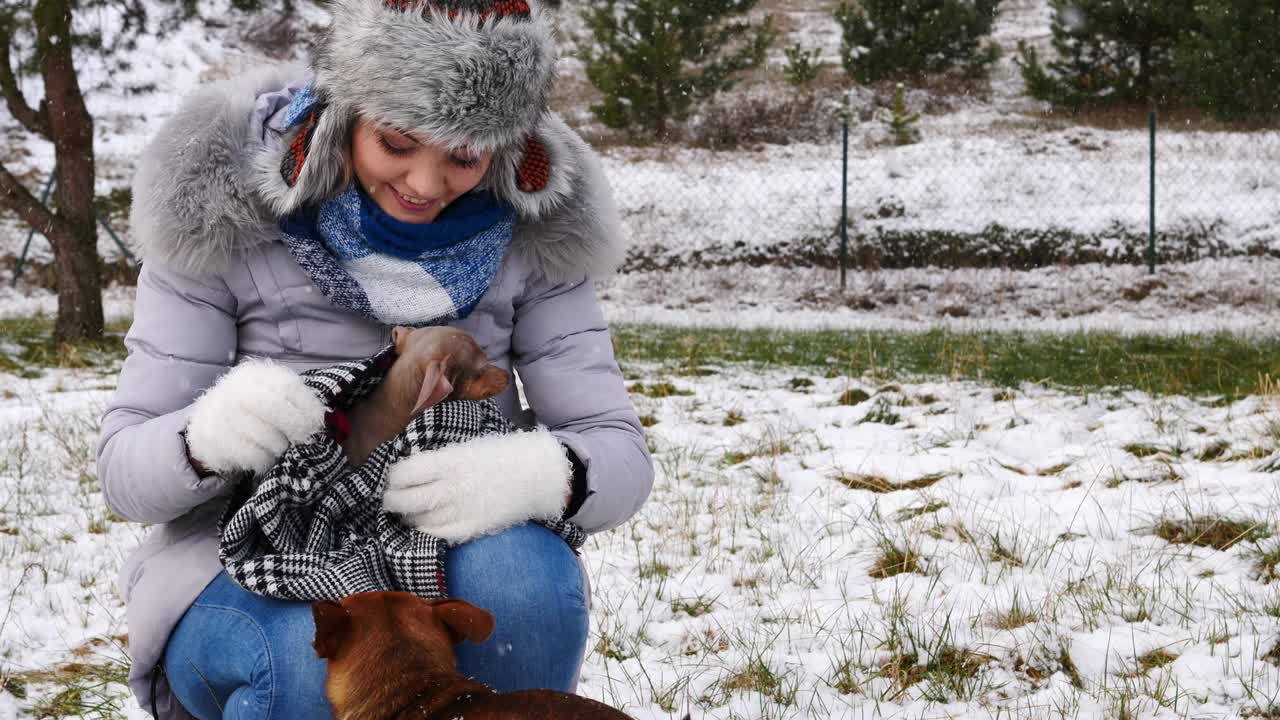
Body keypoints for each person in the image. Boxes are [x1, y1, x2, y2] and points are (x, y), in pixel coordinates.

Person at [94, 1, 653, 718]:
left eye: (463, 156)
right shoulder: (218, 214)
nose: (424, 184)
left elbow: (620, 455)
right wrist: (204, 441)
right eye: (396, 143)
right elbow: (122, 477)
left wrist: (544, 473)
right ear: (344, 114)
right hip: (242, 561)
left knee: (528, 593)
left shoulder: (536, 232)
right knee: (309, 672)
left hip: (438, 542)